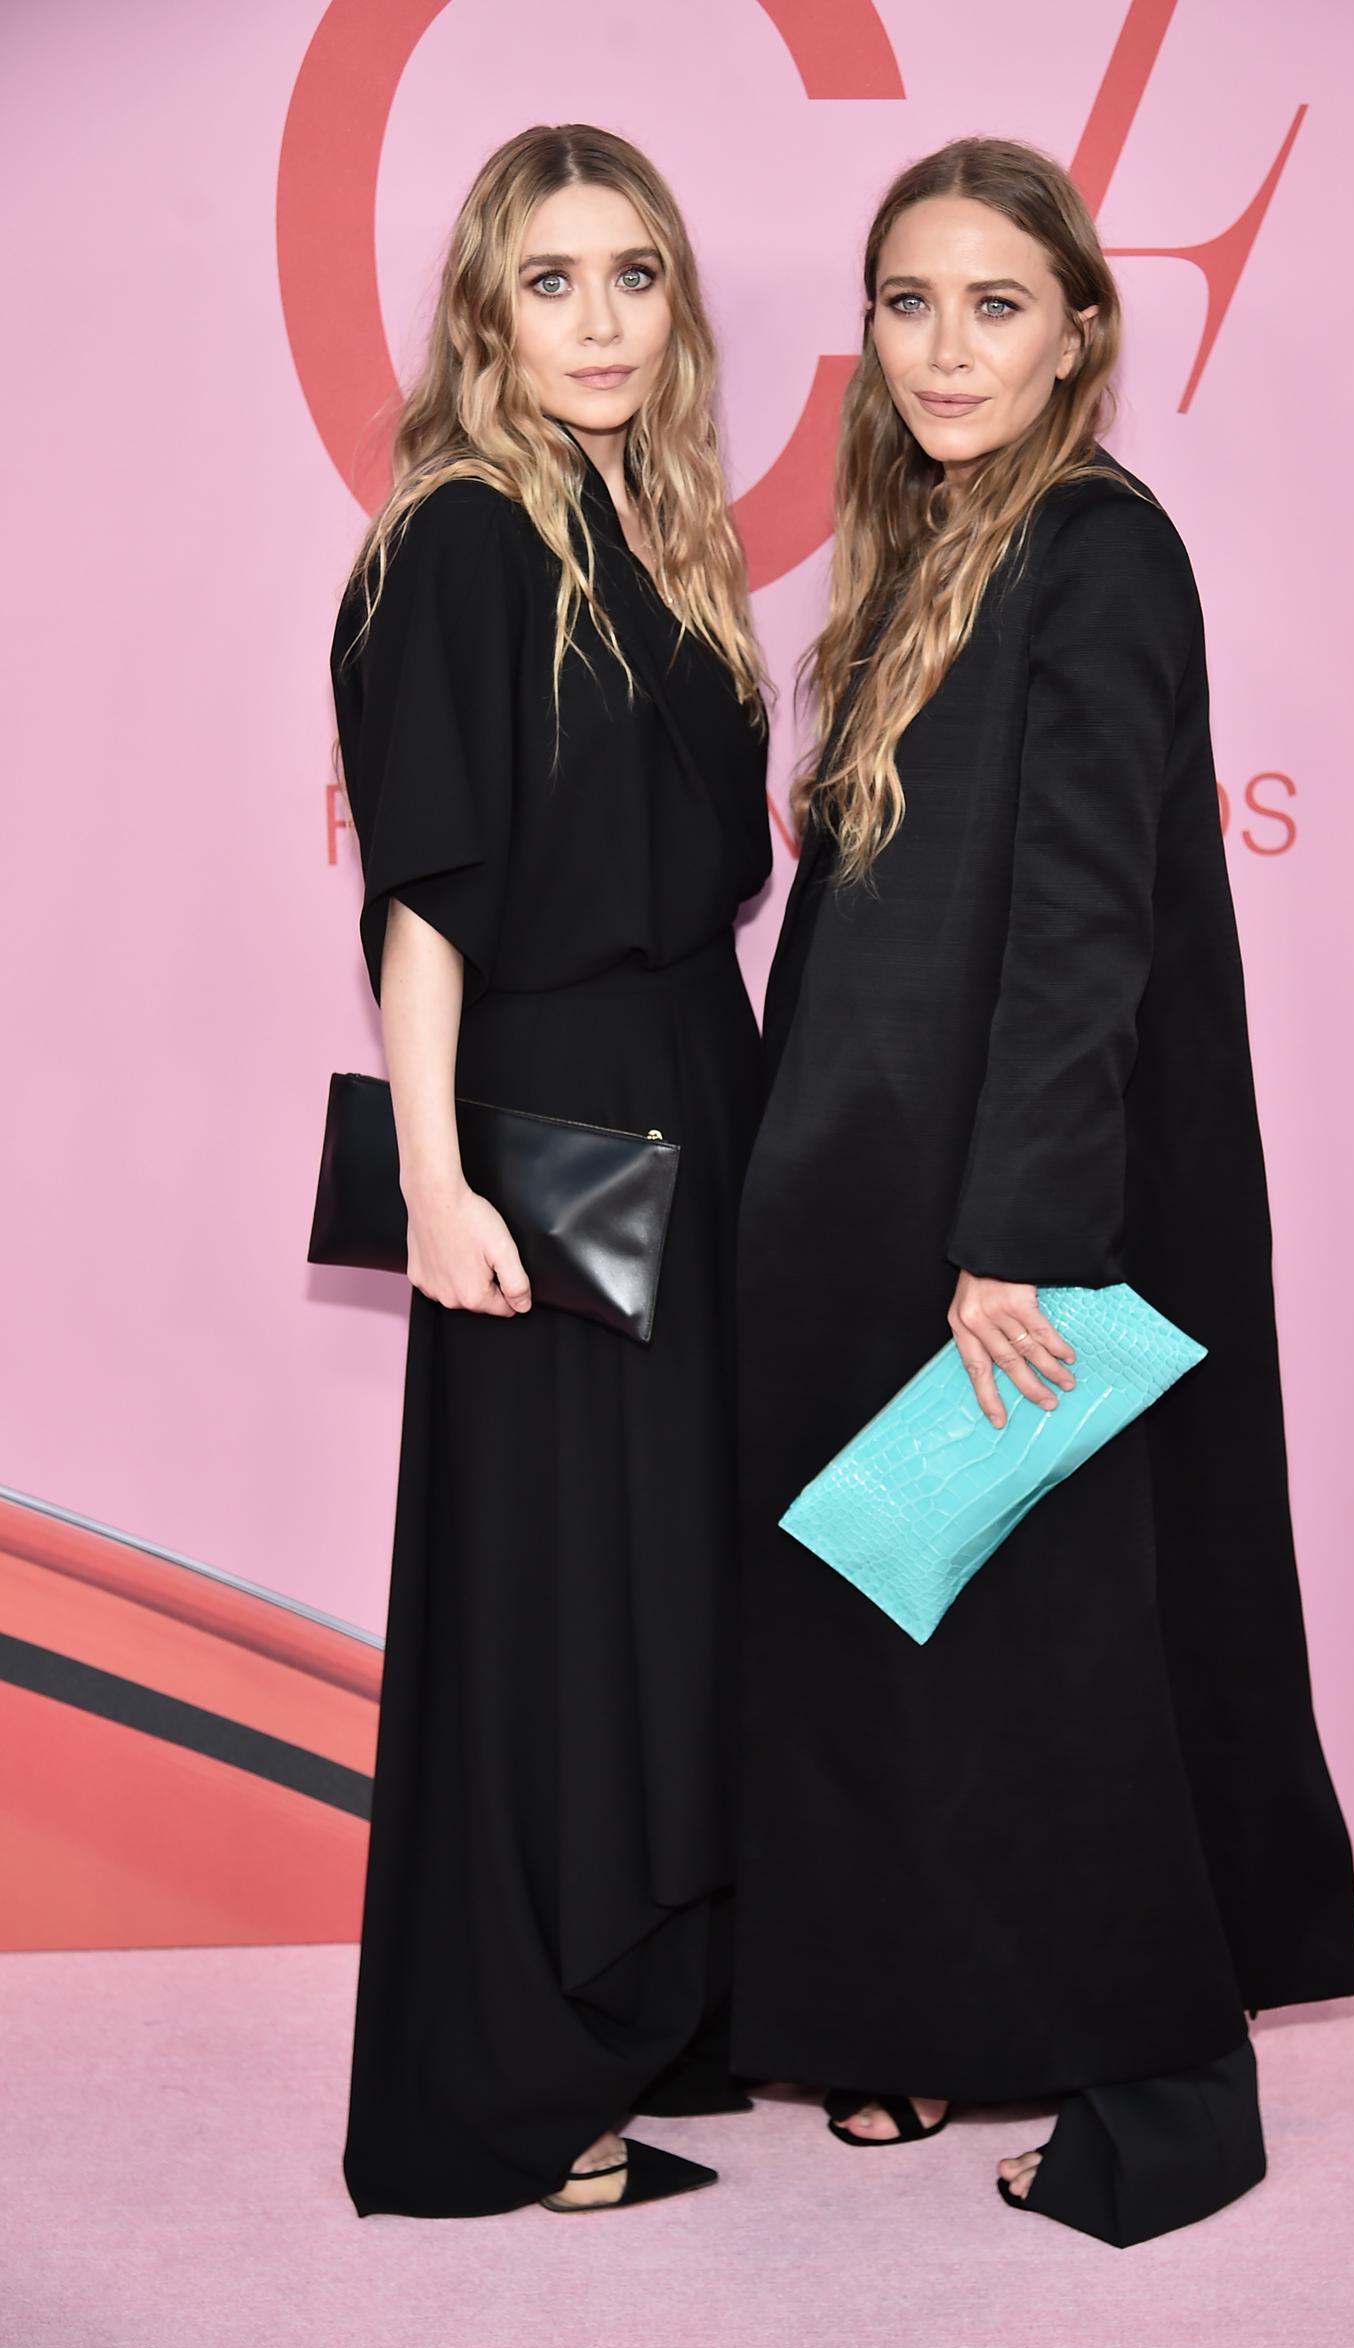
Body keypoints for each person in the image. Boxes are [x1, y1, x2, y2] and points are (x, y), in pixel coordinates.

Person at [731, 137, 1354, 2246]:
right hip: (870, 1189)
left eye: (994, 302)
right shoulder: (923, 548)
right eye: (908, 301)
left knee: (1075, 1656)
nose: (942, 346)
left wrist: (1023, 1229)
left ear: (1082, 326)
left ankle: (1169, 2100)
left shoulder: (1098, 549)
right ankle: (917, 2008)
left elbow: (1087, 918)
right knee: (912, 1628)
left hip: (1022, 1210)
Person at [332, 124, 770, 2218]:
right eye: (551, 280)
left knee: (666, 1588)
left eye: (635, 277)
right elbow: (427, 900)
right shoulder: (459, 538)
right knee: (548, 1603)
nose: (598, 322)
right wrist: (435, 1183)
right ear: (482, 313)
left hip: (701, 1079)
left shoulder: (653, 523)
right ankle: (502, 2092)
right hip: (555, 1121)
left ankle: (653, 2007)